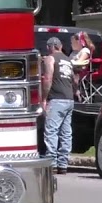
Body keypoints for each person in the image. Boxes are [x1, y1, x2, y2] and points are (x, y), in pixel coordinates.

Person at [41, 35, 76, 174]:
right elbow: (75, 80)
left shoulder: (50, 58)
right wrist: (75, 92)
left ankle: (52, 163)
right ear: (60, 46)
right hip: (69, 99)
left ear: (51, 47)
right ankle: (63, 163)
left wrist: (44, 98)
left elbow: (48, 78)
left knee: (51, 131)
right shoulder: (68, 60)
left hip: (56, 99)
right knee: (66, 133)